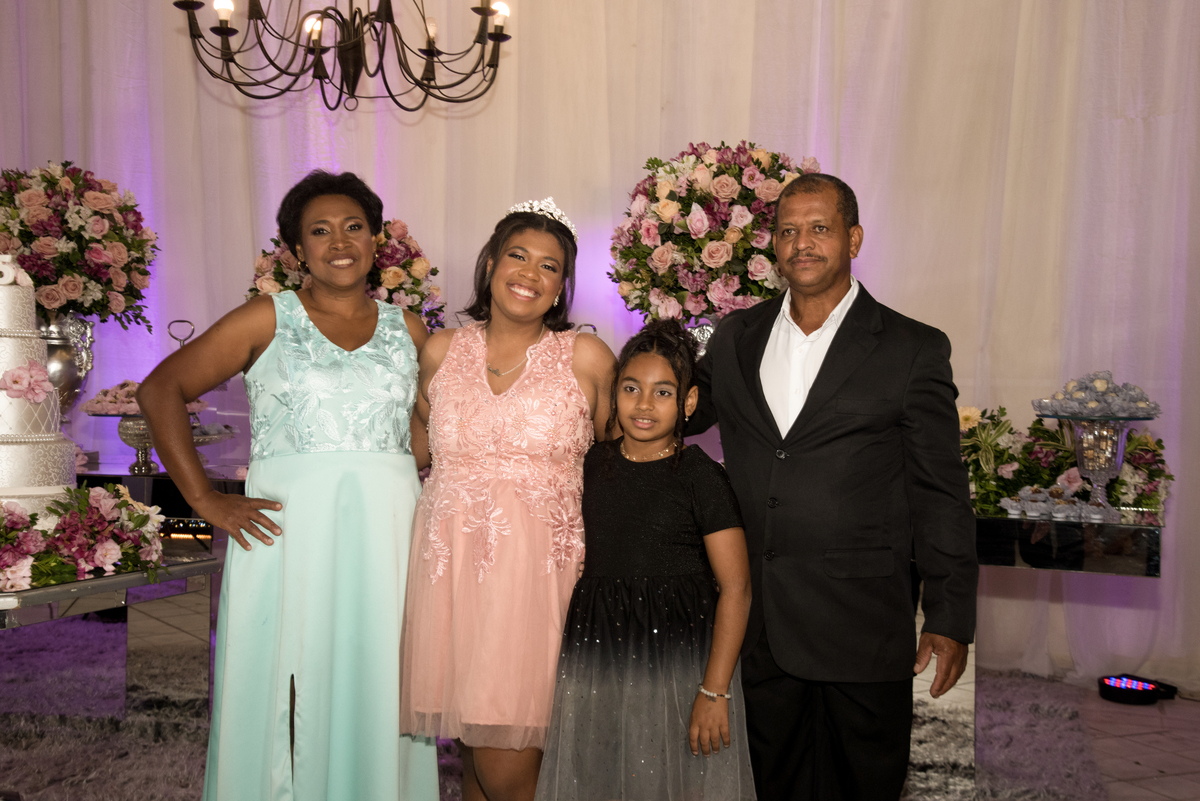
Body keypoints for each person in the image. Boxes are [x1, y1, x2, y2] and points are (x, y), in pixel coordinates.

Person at [138, 170, 439, 800]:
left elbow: (428, 433)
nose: (339, 242)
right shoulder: (266, 318)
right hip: (287, 530)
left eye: (353, 227)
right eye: (320, 231)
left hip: (388, 531)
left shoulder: (408, 328)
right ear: (298, 249)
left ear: (376, 240)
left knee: (384, 671)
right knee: (278, 679)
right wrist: (203, 499)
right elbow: (161, 388)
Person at [687, 173, 978, 801]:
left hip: (861, 624)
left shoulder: (912, 348)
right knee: (772, 785)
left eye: (819, 228)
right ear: (773, 246)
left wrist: (950, 615)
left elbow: (941, 492)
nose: (803, 243)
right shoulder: (736, 338)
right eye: (788, 231)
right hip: (761, 622)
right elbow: (673, 408)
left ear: (854, 238)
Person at [399, 198, 616, 801]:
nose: (530, 274)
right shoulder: (441, 352)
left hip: (538, 583)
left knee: (507, 769)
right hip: (450, 579)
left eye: (550, 266)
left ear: (562, 285)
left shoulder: (586, 357)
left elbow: (621, 467)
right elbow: (411, 452)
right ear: (491, 263)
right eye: (518, 256)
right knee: (474, 762)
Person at [534, 318, 755, 801]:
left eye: (663, 393)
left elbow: (737, 589)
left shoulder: (701, 477)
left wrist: (714, 690)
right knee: (600, 771)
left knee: (673, 775)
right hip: (599, 650)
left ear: (689, 403)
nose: (644, 404)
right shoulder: (591, 465)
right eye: (632, 388)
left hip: (679, 657)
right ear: (614, 394)